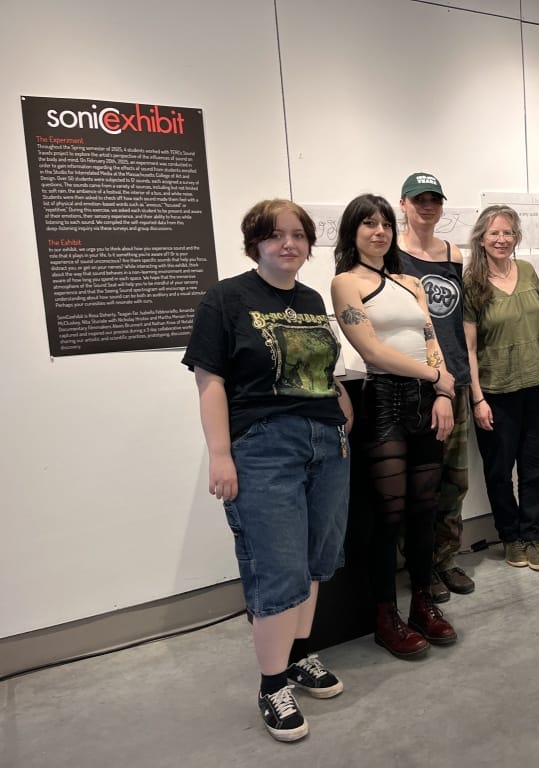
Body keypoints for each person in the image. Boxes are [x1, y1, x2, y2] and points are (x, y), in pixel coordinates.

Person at [182, 199, 351, 742]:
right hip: (263, 448)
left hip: (326, 443)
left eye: (298, 235)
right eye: (276, 235)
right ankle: (271, 683)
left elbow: (320, 370)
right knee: (277, 567)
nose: (289, 244)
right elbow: (210, 382)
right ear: (254, 241)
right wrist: (221, 454)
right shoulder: (226, 299)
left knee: (315, 560)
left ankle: (299, 657)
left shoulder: (309, 298)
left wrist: (340, 409)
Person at [330, 193, 458, 660]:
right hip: (382, 401)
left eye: (385, 223)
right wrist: (436, 377)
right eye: (368, 223)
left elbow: (431, 339)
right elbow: (372, 351)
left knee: (425, 509)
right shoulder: (345, 283)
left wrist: (443, 393)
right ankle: (386, 615)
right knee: (388, 515)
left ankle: (422, 602)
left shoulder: (410, 282)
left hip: (426, 400)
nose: (379, 231)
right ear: (353, 232)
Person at [463, 205, 539, 571]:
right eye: (494, 233)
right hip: (496, 391)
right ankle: (510, 537)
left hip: (537, 385)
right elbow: (469, 348)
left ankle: (533, 536)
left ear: (516, 237)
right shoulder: (472, 282)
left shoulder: (529, 272)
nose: (501, 239)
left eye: (508, 232)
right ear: (482, 239)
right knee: (500, 471)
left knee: (535, 467)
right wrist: (478, 399)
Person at [396, 172, 475, 603]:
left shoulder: (453, 254)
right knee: (421, 480)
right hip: (419, 382)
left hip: (457, 377)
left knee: (454, 479)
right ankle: (420, 565)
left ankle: (446, 557)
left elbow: (459, 318)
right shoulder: (393, 256)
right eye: (418, 199)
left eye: (434, 200)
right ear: (403, 204)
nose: (427, 206)